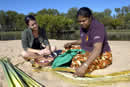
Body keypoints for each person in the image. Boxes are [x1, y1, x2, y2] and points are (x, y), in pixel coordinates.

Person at [64, 7, 112, 77]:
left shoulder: (97, 27)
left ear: (90, 18)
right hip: (87, 51)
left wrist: (85, 65)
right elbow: (84, 39)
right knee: (66, 51)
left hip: (102, 54)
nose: (81, 23)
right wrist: (72, 43)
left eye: (84, 21)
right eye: (79, 21)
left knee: (78, 64)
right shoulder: (83, 27)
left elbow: (97, 49)